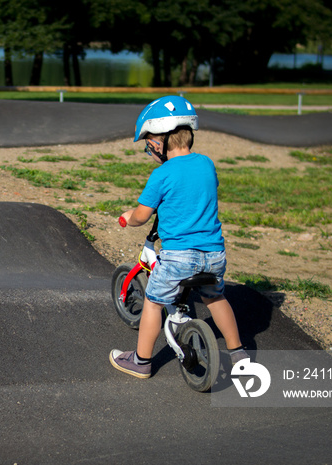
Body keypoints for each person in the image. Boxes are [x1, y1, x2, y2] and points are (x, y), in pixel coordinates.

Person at [109, 95, 248, 379]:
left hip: (180, 258)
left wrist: (128, 217)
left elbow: (142, 215)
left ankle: (141, 361)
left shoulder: (161, 175)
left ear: (159, 141)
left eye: (148, 141)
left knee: (153, 300)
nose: (148, 148)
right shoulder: (207, 164)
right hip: (214, 255)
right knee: (215, 297)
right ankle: (238, 352)